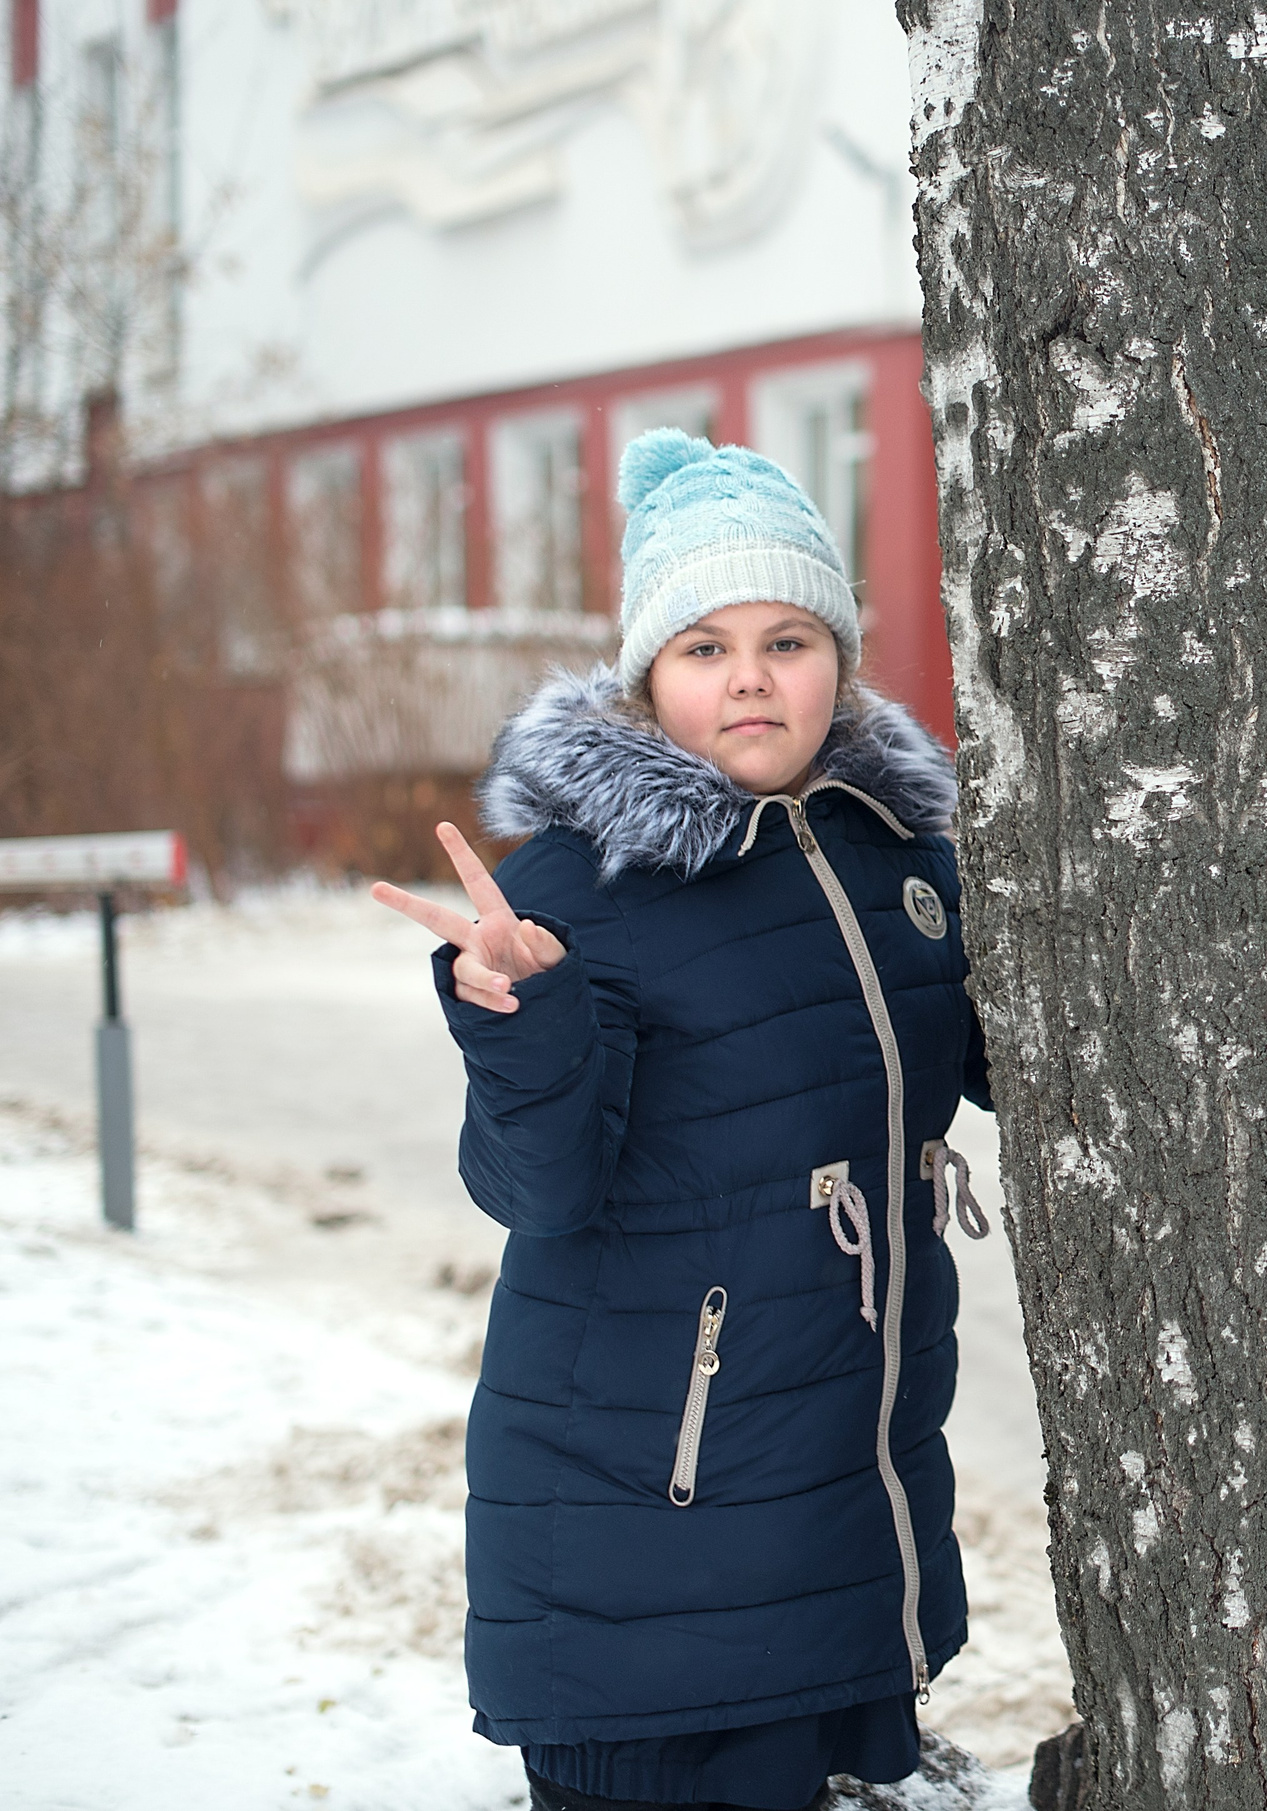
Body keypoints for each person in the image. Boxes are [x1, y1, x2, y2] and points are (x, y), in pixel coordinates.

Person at [375, 429, 994, 1811]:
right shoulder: (577, 888)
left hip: (835, 1503)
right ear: (649, 676)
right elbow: (535, 1187)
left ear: (841, 659)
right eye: (706, 646)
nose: (753, 678)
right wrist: (515, 1011)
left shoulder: (902, 860)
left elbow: (1025, 1060)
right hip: (648, 1517)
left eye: (789, 638)